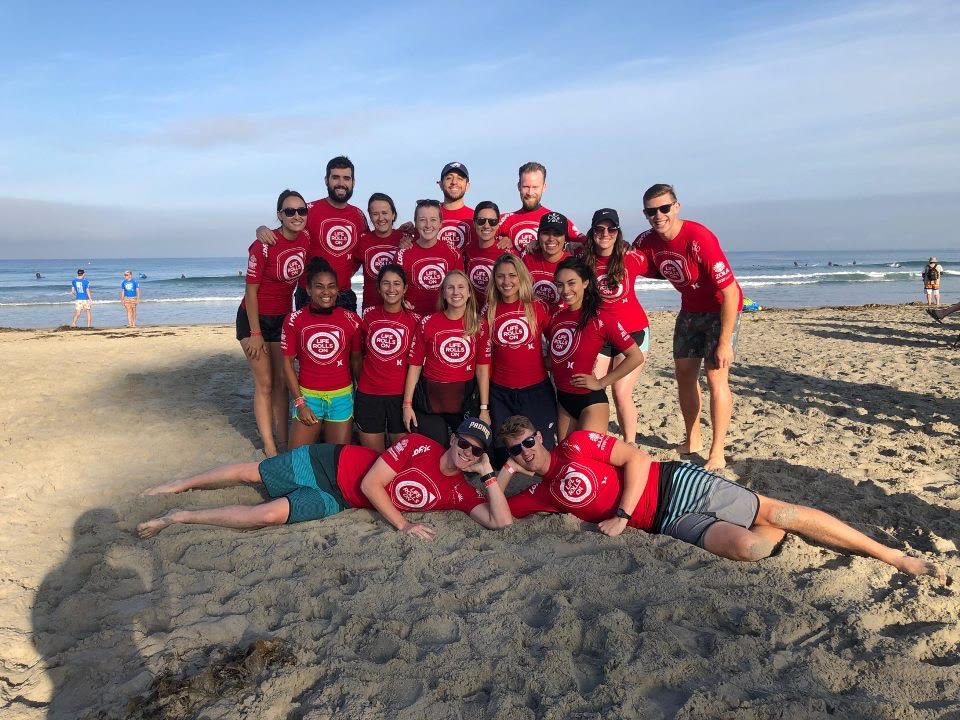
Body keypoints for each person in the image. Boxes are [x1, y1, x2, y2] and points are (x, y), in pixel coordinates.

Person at [497, 416, 947, 583]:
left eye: (528, 442)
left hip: (675, 484)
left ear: (542, 436)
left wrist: (622, 514)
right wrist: (494, 475)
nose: (526, 452)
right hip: (668, 525)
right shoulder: (541, 494)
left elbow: (635, 457)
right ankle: (770, 522)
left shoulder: (577, 445)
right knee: (751, 548)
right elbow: (497, 518)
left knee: (781, 511)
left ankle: (890, 555)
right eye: (516, 451)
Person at [137, 418, 513, 539]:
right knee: (252, 473)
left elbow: (501, 521)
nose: (467, 452)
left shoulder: (460, 492)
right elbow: (371, 484)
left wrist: (493, 475)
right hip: (329, 464)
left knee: (266, 516)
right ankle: (181, 484)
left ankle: (181, 516)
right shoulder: (417, 446)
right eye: (464, 443)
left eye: (476, 451)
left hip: (338, 500)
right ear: (453, 438)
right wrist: (402, 524)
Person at [632, 183, 742, 470]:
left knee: (716, 377)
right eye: (651, 211)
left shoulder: (698, 237)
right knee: (683, 374)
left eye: (664, 208)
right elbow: (630, 262)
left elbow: (730, 292)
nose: (658, 215)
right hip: (690, 309)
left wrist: (725, 341)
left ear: (676, 206)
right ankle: (693, 438)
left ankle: (717, 450)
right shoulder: (647, 240)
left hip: (721, 309)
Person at [238, 190, 310, 457]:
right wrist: (255, 332)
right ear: (279, 215)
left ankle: (282, 439)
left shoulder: (305, 239)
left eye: (301, 211)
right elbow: (251, 291)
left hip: (282, 318)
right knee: (265, 383)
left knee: (282, 382)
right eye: (289, 211)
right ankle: (269, 445)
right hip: (253, 318)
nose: (296, 216)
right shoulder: (264, 244)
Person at [548, 257, 644, 439]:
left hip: (590, 402)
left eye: (571, 283)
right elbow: (556, 359)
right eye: (560, 285)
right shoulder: (556, 318)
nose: (565, 290)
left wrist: (601, 382)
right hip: (563, 401)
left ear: (585, 283)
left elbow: (635, 357)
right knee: (568, 457)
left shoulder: (601, 318)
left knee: (586, 457)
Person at [256, 156, 369, 311]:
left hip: (343, 294)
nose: (341, 183)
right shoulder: (308, 211)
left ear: (353, 182)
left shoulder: (359, 216)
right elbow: (286, 233)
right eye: (335, 177)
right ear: (326, 180)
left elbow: (368, 247)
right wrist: (262, 229)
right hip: (309, 294)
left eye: (346, 178)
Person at [581, 208, 650, 444]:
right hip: (600, 334)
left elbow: (661, 260)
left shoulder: (631, 257)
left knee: (621, 393)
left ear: (618, 232)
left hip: (632, 331)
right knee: (592, 390)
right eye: (599, 229)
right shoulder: (584, 259)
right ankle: (595, 440)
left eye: (611, 229)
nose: (605, 233)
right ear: (592, 232)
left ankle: (630, 444)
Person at [403, 270, 491, 445]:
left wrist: (484, 409)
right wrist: (407, 404)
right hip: (431, 400)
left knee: (469, 451)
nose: (455, 292)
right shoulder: (427, 322)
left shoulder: (480, 324)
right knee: (435, 451)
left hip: (464, 399)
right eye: (450, 288)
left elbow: (482, 369)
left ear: (468, 293)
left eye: (460, 287)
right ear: (443, 293)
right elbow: (415, 365)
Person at [485, 254, 557, 464]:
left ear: (521, 277)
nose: (506, 282)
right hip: (500, 392)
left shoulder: (537, 307)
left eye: (512, 275)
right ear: (494, 280)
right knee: (504, 453)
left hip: (536, 390)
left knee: (544, 449)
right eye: (500, 276)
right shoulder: (488, 311)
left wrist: (549, 362)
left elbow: (560, 340)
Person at [282, 257, 361, 449]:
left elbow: (356, 361)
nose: (326, 292)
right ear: (308, 290)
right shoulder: (294, 320)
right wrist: (300, 404)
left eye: (331, 286)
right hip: (308, 398)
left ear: (338, 289)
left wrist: (361, 397)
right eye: (319, 286)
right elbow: (287, 363)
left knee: (336, 461)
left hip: (342, 399)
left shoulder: (352, 320)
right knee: (297, 462)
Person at [352, 264, 420, 451]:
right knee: (373, 457)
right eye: (386, 283)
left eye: (397, 284)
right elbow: (357, 357)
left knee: (399, 459)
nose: (391, 289)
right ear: (378, 287)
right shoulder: (367, 316)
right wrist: (364, 383)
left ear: (405, 288)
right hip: (369, 395)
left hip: (401, 397)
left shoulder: (415, 320)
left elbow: (418, 363)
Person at [396, 199, 464, 315]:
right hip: (413, 318)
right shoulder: (403, 253)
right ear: (416, 223)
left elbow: (461, 288)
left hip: (443, 319)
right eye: (422, 220)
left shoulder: (453, 252)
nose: (428, 225)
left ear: (440, 223)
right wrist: (401, 302)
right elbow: (396, 288)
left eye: (433, 220)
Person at [498, 162, 582, 254]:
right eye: (526, 187)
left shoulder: (555, 220)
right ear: (519, 187)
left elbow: (588, 242)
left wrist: (565, 244)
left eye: (535, 187)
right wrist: (498, 240)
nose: (530, 192)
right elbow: (482, 234)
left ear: (544, 187)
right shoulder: (505, 219)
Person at [353, 192, 406, 313]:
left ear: (393, 214)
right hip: (371, 309)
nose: (381, 218)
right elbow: (348, 270)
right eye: (375, 214)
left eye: (385, 213)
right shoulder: (363, 240)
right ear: (370, 217)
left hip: (400, 309)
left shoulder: (404, 238)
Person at [522, 212, 573, 311]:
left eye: (557, 234)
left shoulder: (572, 263)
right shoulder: (527, 259)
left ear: (565, 237)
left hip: (561, 321)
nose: (551, 239)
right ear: (538, 236)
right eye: (546, 233)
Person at [465, 201, 514, 297]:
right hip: (471, 310)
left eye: (492, 222)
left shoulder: (508, 254)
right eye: (481, 221)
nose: (486, 226)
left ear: (498, 225)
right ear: (474, 223)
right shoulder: (466, 251)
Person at [437, 162, 474, 250]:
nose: (454, 182)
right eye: (449, 178)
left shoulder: (478, 218)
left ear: (467, 186)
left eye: (460, 178)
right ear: (441, 185)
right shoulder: (429, 217)